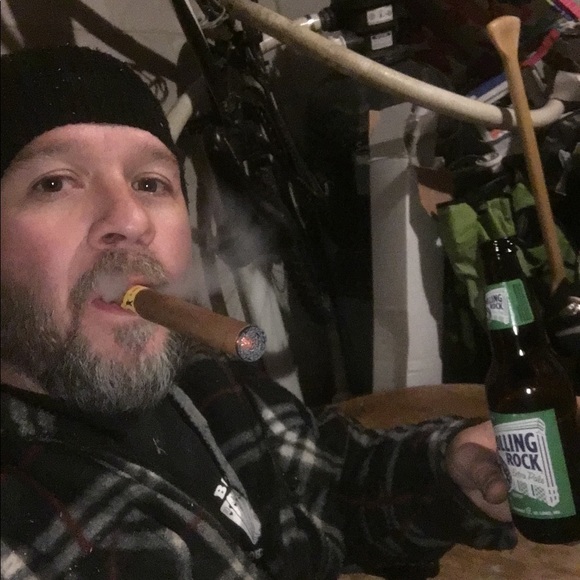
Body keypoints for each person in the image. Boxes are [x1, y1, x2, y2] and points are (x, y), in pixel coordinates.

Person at [1, 45, 516, 580]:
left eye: (150, 184)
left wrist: (449, 472)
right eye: (53, 183)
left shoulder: (198, 378)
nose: (131, 219)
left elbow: (320, 484)